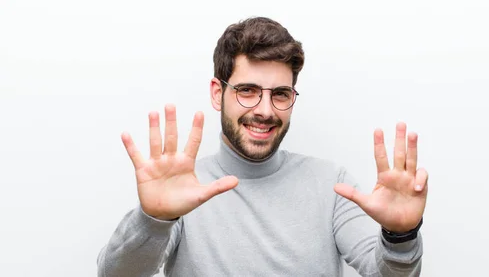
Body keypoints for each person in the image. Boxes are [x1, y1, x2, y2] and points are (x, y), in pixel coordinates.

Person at [97, 16, 429, 277]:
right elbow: (115, 275)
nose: (265, 110)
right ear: (218, 93)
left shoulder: (331, 185)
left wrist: (400, 237)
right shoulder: (183, 189)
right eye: (247, 90)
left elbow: (385, 274)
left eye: (280, 94)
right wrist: (153, 219)